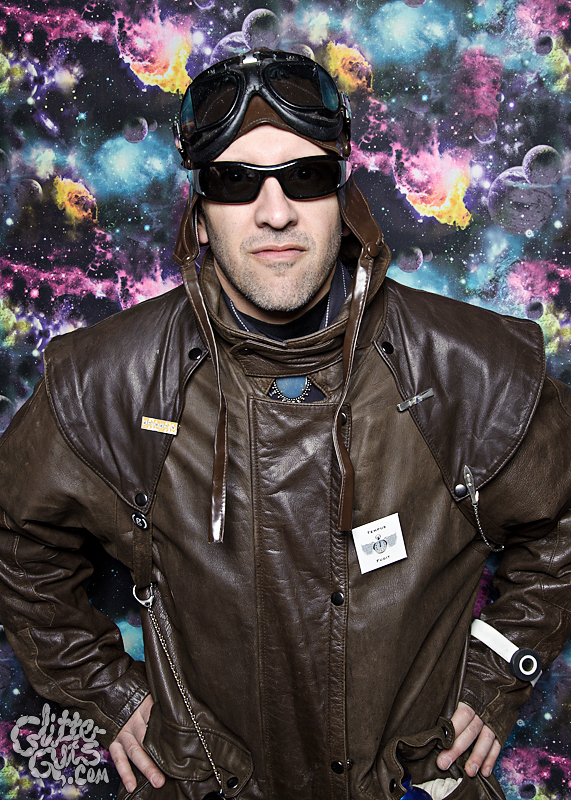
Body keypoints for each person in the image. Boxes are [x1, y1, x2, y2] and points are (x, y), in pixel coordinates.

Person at [0, 48, 570, 800]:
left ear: (343, 196)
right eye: (235, 182)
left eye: (304, 176)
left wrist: (500, 667)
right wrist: (105, 690)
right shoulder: (107, 381)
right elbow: (17, 538)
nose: (275, 212)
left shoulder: (469, 366)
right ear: (200, 213)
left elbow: (561, 518)